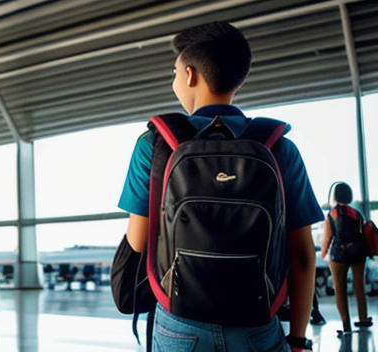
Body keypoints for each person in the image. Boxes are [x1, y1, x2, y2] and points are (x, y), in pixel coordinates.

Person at [118, 21, 323, 351]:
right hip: (257, 323)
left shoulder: (155, 144)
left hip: (179, 323)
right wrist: (297, 339)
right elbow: (301, 255)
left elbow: (139, 240)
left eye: (174, 73)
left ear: (188, 74)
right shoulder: (278, 147)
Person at [321, 182, 373, 336]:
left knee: (340, 290)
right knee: (359, 288)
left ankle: (346, 325)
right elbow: (362, 233)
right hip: (358, 253)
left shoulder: (332, 214)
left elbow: (327, 238)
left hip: (339, 255)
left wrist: (324, 253)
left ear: (335, 196)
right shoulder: (356, 213)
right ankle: (363, 319)